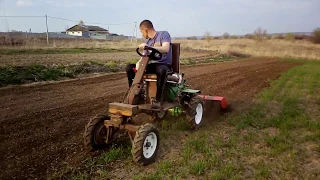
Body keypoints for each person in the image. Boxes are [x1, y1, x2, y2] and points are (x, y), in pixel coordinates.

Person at [125, 20, 172, 109]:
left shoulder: (163, 34)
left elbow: (166, 49)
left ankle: (158, 99)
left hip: (163, 64)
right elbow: (144, 56)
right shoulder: (147, 41)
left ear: (146, 30)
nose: (142, 34)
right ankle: (134, 94)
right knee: (129, 68)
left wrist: (149, 47)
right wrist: (138, 64)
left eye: (141, 32)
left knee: (161, 70)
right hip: (150, 65)